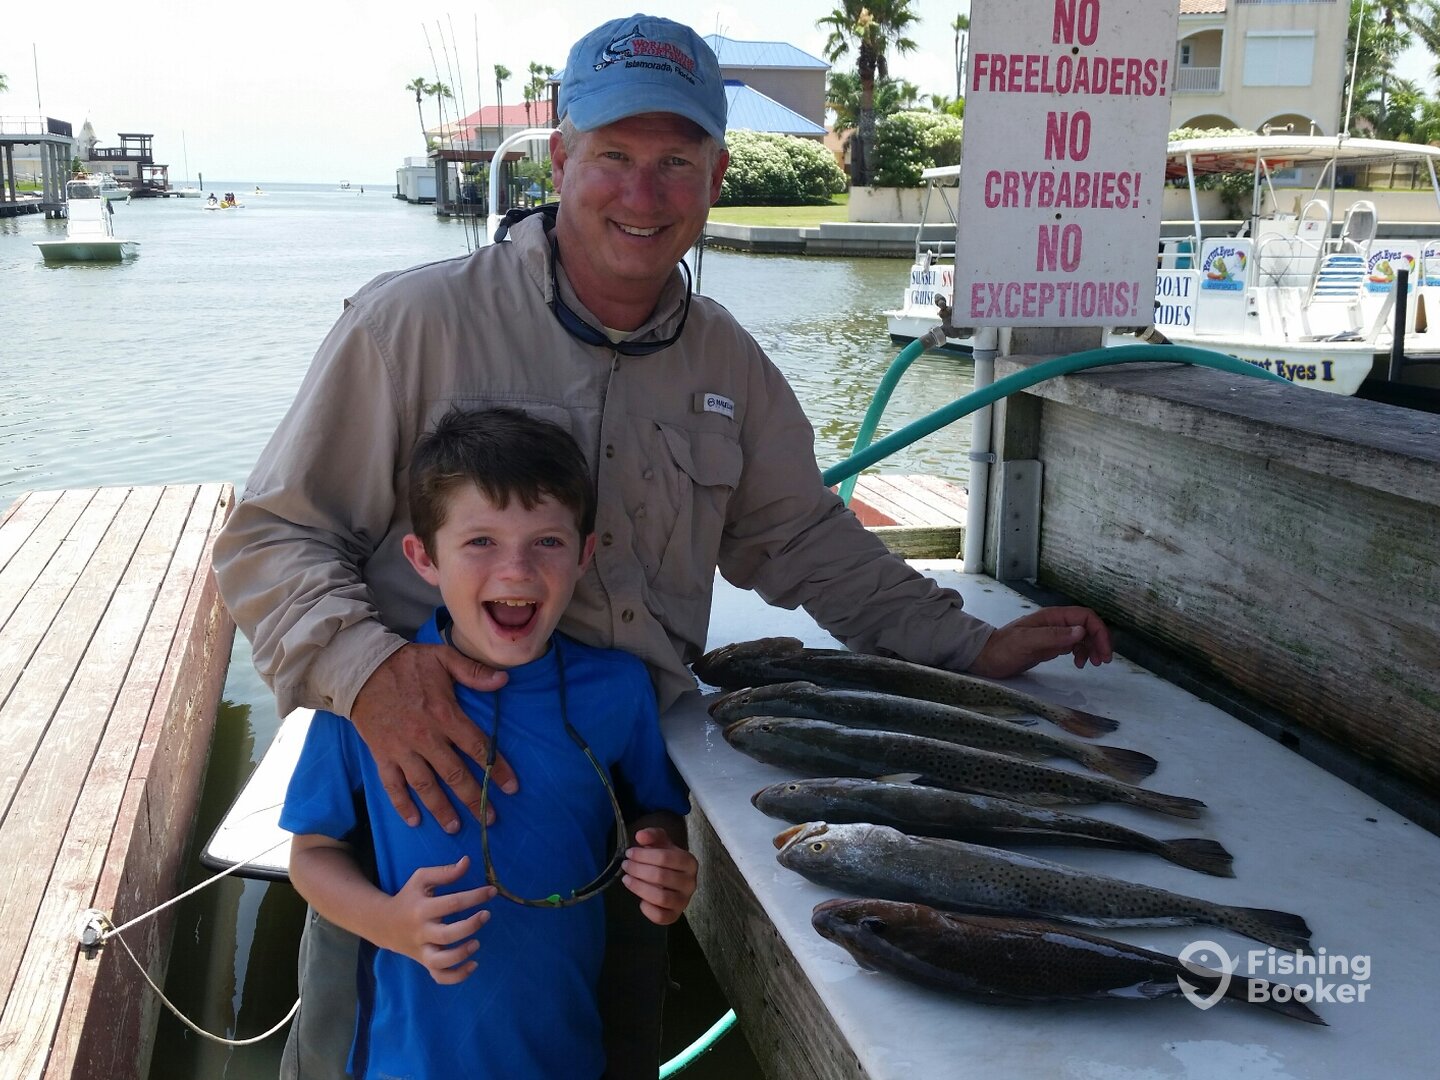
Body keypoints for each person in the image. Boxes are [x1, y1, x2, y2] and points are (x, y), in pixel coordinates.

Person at [213, 13, 1112, 1078]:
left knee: (608, 1048)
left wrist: (967, 647)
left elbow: (806, 539)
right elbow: (271, 539)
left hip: (623, 815)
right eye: (615, 158)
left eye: (676, 162)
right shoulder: (411, 324)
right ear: (561, 160)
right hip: (419, 807)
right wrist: (369, 677)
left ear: (716, 175)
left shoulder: (728, 359)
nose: (643, 195)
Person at [281, 406, 694, 1079]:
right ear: (423, 558)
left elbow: (655, 812)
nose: (517, 572)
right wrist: (390, 925)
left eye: (548, 542)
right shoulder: (365, 701)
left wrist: (665, 861)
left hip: (568, 1056)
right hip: (402, 1063)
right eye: (480, 542)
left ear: (585, 554)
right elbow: (311, 856)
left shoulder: (620, 690)